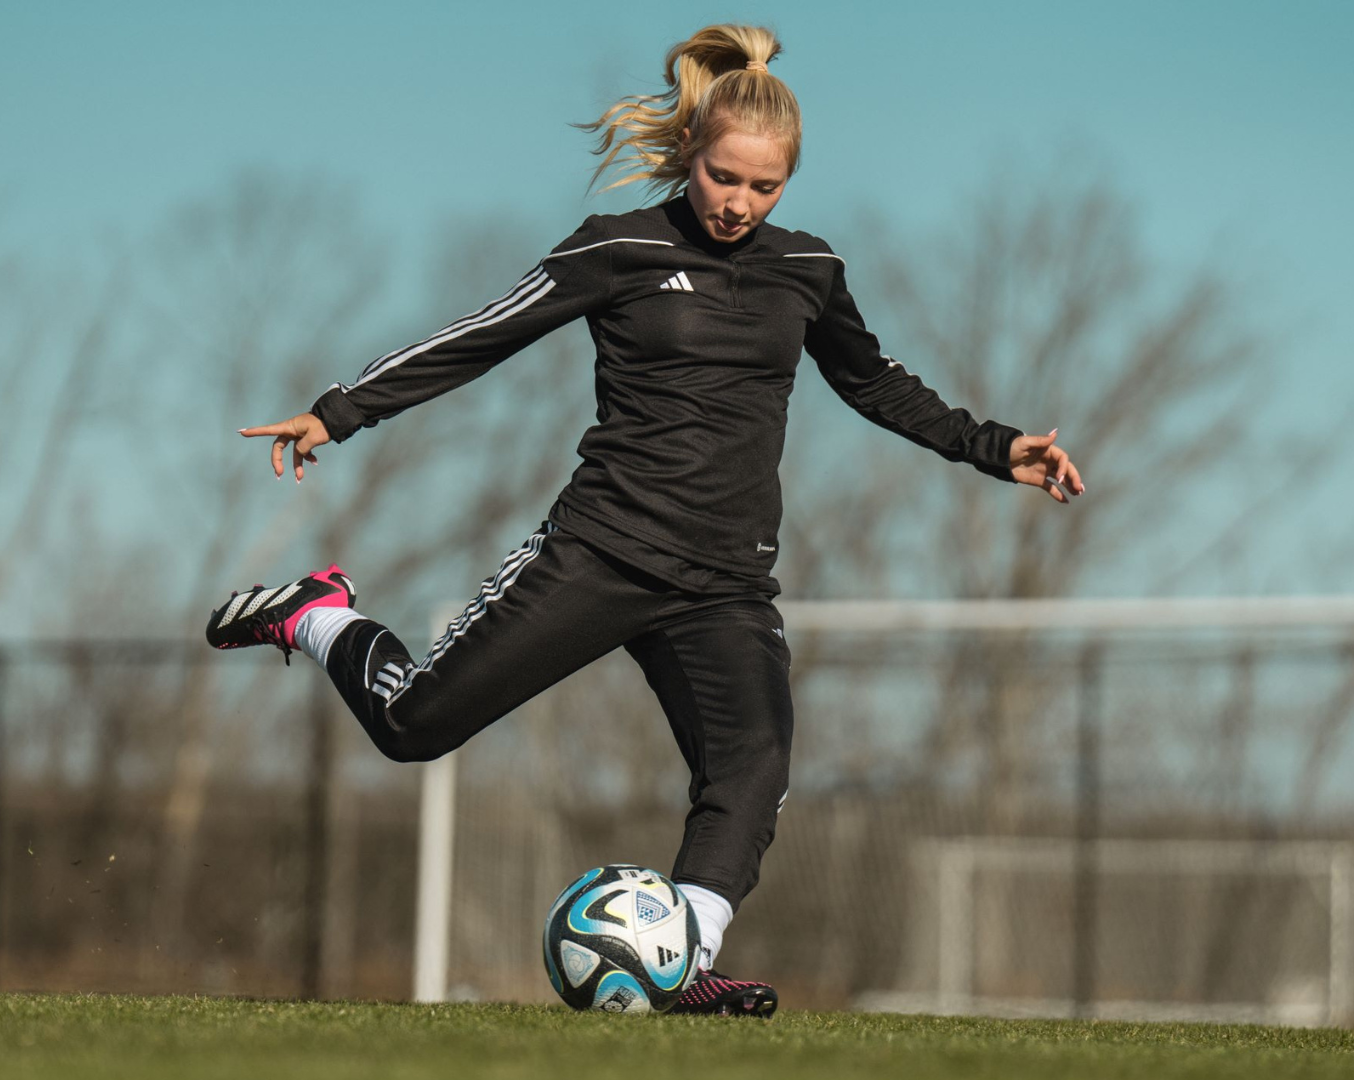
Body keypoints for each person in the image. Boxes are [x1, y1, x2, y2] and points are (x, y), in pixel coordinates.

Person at [208, 23, 1084, 1017]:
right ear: (693, 156)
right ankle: (317, 613)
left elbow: (873, 381)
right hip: (601, 552)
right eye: (723, 179)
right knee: (414, 729)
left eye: (765, 188)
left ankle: (681, 965)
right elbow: (483, 334)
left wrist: (993, 444)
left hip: (725, 582)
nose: (739, 204)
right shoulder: (616, 249)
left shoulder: (811, 270)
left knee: (752, 770)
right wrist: (340, 409)